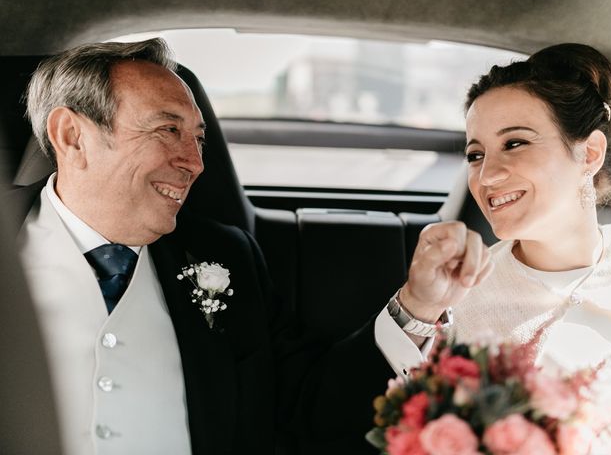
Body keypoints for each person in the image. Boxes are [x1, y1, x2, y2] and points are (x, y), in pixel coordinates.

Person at [6, 38, 420, 455]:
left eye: (198, 139)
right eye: (168, 130)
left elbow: (309, 406)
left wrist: (417, 306)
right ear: (72, 136)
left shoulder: (227, 258)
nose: (195, 162)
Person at [387, 43, 611, 453]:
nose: (487, 176)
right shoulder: (461, 301)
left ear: (590, 153)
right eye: (475, 154)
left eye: (515, 143)